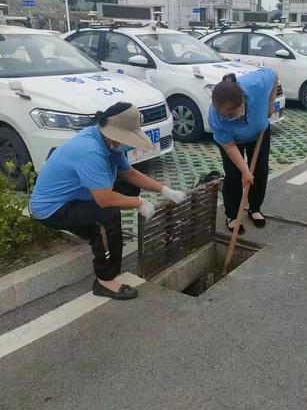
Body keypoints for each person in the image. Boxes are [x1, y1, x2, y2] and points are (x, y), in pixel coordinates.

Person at [30, 102, 186, 300]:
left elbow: (129, 173)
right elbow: (104, 200)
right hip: (52, 208)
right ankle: (105, 279)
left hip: (79, 196)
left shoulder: (109, 144)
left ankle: (104, 238)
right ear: (114, 133)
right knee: (108, 217)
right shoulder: (89, 150)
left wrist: (165, 190)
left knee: (128, 188)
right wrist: (138, 203)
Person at [208, 68, 278, 234]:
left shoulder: (257, 83)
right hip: (232, 142)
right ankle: (232, 215)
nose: (226, 117)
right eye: (223, 114)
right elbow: (230, 146)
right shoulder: (215, 117)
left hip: (259, 133)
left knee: (260, 170)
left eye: (230, 114)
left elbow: (274, 74)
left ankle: (254, 208)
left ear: (242, 102)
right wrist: (245, 171)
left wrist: (270, 103)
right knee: (234, 174)